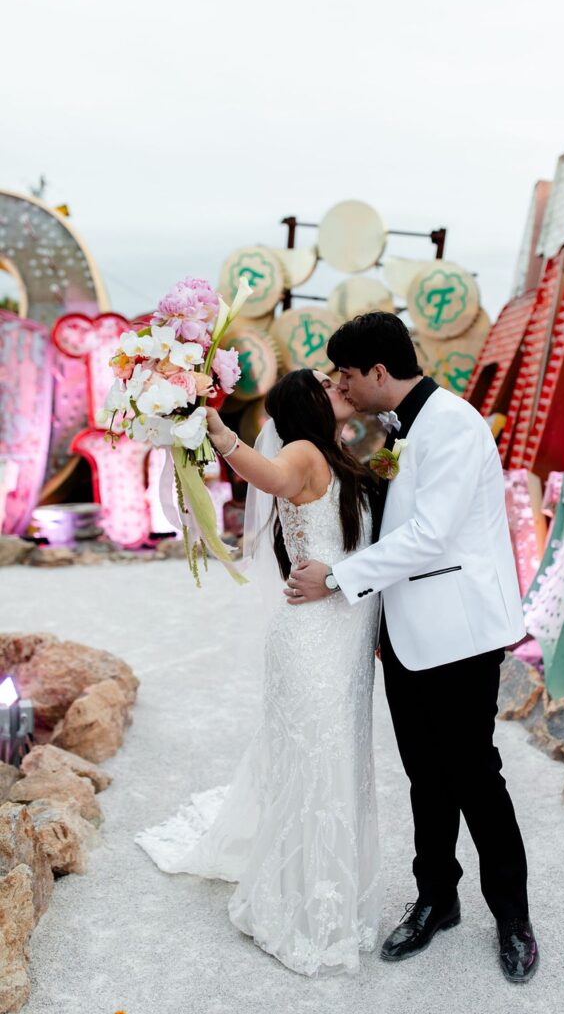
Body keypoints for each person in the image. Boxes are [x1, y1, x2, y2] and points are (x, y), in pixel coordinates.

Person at [286, 312, 539, 984]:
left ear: (377, 372)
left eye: (345, 373)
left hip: (456, 633)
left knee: (474, 777)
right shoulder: (392, 427)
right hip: (403, 634)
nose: (340, 383)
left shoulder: (453, 424)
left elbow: (428, 535)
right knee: (425, 776)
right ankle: (436, 900)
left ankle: (512, 917)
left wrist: (338, 580)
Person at [135, 368, 382, 978]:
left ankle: (326, 886)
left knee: (335, 757)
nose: (339, 385)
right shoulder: (300, 452)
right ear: (307, 404)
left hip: (343, 633)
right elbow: (265, 475)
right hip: (313, 640)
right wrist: (217, 430)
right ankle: (300, 903)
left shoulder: (340, 454)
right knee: (317, 761)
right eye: (328, 383)